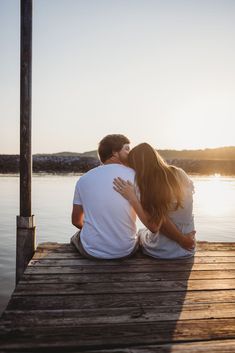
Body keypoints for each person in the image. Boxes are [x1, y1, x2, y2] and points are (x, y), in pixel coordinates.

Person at [113, 143, 196, 259]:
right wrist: (185, 240)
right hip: (188, 250)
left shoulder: (145, 186)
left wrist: (132, 198)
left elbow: (154, 225)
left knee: (139, 234)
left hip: (163, 250)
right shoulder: (180, 173)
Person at [71, 134, 139, 259]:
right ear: (115, 152)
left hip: (93, 251)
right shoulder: (135, 176)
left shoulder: (83, 179)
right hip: (126, 250)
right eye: (127, 149)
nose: (130, 153)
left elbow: (76, 220)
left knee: (76, 237)